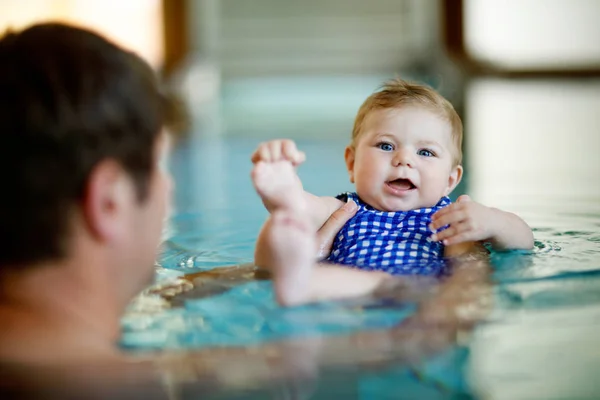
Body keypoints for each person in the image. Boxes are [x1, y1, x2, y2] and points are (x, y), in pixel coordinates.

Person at [0, 22, 492, 398]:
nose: (169, 188)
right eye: (159, 167)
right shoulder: (165, 386)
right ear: (109, 200)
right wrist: (453, 293)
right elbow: (426, 339)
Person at [252, 79, 534, 305]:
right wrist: (285, 192)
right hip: (346, 296)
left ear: (450, 180)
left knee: (377, 281)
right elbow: (306, 208)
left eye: (425, 152)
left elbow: (523, 239)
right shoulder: (344, 208)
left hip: (419, 291)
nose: (404, 159)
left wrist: (494, 221)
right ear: (352, 163)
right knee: (291, 223)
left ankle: (299, 282)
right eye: (386, 146)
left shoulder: (451, 218)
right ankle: (297, 275)